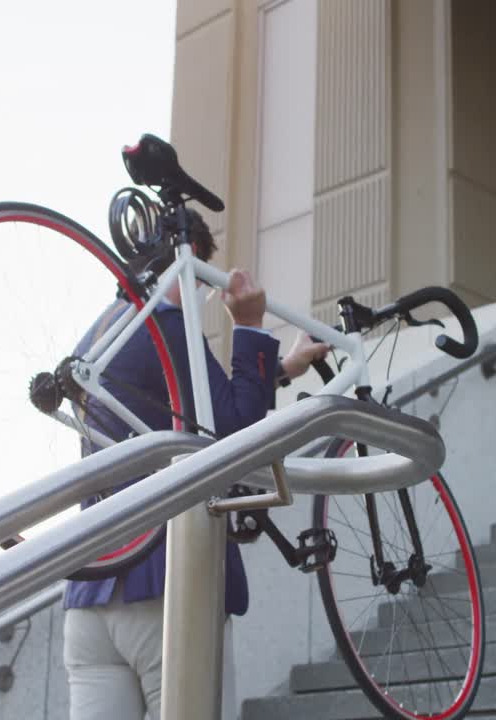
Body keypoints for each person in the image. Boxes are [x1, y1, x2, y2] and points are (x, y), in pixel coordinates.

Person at [62, 208, 329, 720]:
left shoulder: (101, 333)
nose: (202, 297)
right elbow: (234, 437)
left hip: (92, 591)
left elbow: (180, 405)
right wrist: (249, 328)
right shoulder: (166, 324)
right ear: (186, 263)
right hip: (168, 581)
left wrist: (282, 368)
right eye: (202, 279)